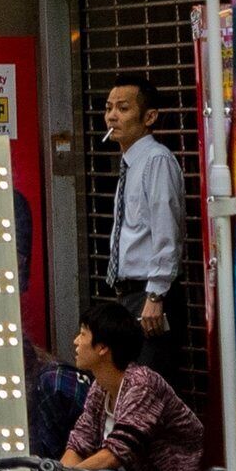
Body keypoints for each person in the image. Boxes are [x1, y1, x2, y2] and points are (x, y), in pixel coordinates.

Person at [61, 297, 213, 471]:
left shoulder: (143, 384)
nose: (75, 342)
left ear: (103, 348)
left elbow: (116, 454)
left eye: (82, 335)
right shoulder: (100, 387)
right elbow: (80, 441)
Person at [103, 75, 183, 359]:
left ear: (149, 117)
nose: (112, 116)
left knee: (148, 386)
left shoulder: (156, 160)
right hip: (129, 295)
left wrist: (155, 295)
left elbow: (166, 231)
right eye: (109, 108)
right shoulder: (130, 164)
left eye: (123, 109)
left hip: (150, 296)